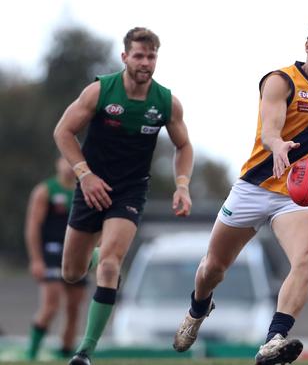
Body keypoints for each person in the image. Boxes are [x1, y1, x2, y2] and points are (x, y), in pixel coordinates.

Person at [171, 17, 308, 365]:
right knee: (213, 267)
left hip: (296, 196)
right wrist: (277, 146)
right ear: (307, 47)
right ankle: (198, 308)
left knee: (307, 256)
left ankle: (274, 340)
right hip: (255, 187)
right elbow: (270, 126)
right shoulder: (280, 80)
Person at [53, 27, 193, 365]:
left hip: (130, 190)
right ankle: (96, 253)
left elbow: (184, 146)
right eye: (139, 55)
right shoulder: (100, 91)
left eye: (151, 56)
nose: (145, 62)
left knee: (112, 263)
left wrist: (183, 185)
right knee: (72, 272)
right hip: (91, 184)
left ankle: (85, 351)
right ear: (125, 57)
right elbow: (63, 132)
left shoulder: (166, 102)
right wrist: (85, 175)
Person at [24, 156, 87, 360]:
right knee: (51, 304)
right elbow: (33, 227)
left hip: (76, 253)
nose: (69, 168)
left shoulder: (84, 190)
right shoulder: (46, 190)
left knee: (74, 307)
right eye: (65, 162)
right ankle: (31, 353)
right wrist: (36, 259)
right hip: (51, 253)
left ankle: (66, 353)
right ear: (58, 163)